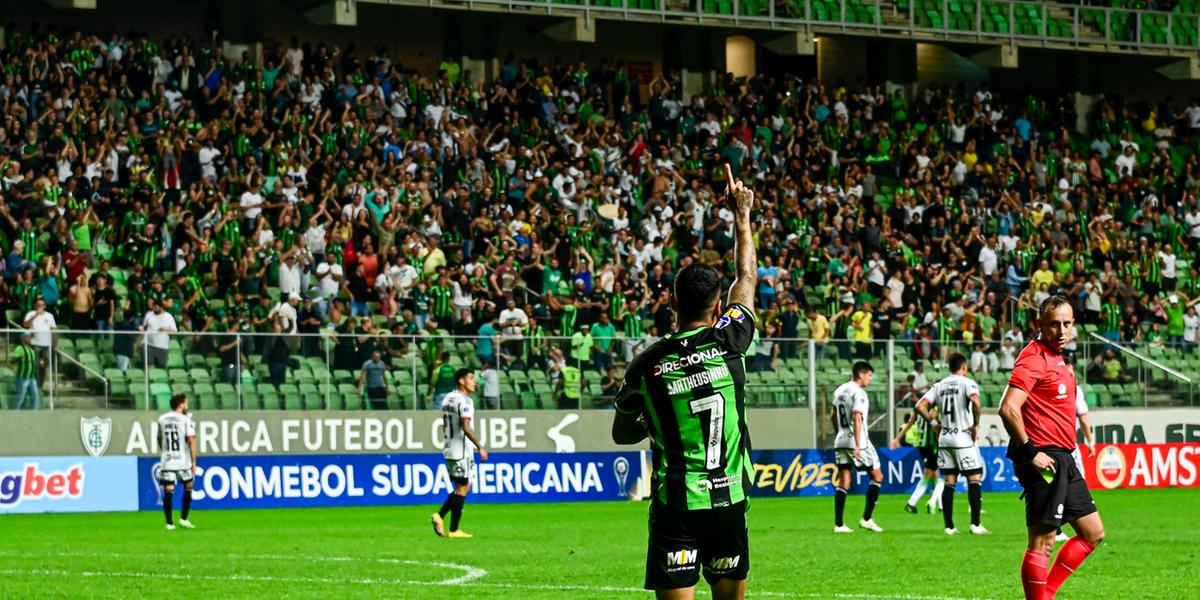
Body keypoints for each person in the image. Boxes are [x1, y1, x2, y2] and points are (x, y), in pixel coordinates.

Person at [611, 164, 756, 600]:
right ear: (717, 308)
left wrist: (654, 420)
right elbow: (746, 280)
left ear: (671, 301)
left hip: (677, 507)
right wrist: (742, 215)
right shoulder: (730, 337)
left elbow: (622, 432)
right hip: (728, 501)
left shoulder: (647, 365)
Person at [999, 297, 1105, 600]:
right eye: (1054, 324)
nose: (1061, 330)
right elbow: (1008, 408)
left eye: (1067, 323)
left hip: (1064, 456)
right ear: (1040, 325)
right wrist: (1031, 452)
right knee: (1042, 541)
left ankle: (1045, 595)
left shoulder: (1060, 359)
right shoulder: (1034, 357)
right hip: (1043, 456)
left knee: (1092, 532)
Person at [916, 353, 989, 535]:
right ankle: (975, 524)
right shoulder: (968, 383)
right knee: (974, 478)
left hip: (945, 438)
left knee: (949, 481)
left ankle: (949, 526)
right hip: (963, 438)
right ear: (964, 367)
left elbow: (920, 405)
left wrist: (934, 424)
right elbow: (976, 403)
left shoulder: (939, 385)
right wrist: (976, 425)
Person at [430, 368, 489, 539]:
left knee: (462, 486)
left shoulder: (448, 398)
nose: (474, 381)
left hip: (449, 447)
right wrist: (480, 446)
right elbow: (465, 425)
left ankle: (451, 526)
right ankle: (444, 520)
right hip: (461, 449)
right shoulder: (465, 401)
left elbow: (444, 421)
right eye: (471, 378)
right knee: (463, 488)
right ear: (461, 381)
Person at [831, 361, 885, 534]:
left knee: (844, 481)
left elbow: (833, 415)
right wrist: (857, 442)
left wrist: (840, 433)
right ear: (861, 374)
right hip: (857, 441)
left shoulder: (839, 390)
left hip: (840, 439)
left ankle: (839, 525)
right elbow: (857, 416)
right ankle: (867, 519)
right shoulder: (859, 392)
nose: (870, 379)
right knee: (877, 476)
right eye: (869, 375)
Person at [888, 394, 944, 515]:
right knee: (933, 476)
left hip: (921, 445)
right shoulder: (935, 408)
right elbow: (935, 423)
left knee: (934, 474)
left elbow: (909, 424)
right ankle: (913, 502)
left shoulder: (919, 406)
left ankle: (940, 505)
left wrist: (897, 439)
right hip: (932, 445)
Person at [1058, 382, 1097, 543]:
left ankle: (1054, 527)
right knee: (1076, 482)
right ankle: (1082, 525)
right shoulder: (1074, 387)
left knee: (1050, 483)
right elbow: (1084, 418)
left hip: (1044, 446)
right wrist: (1090, 442)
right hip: (1067, 446)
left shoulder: (1041, 384)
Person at [158, 393, 197, 530]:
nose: (187, 405)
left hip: (167, 459)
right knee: (188, 485)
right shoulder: (186, 420)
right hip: (182, 459)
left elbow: (159, 438)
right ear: (181, 404)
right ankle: (184, 519)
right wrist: (194, 461)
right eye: (186, 403)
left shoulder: (162, 419)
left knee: (169, 490)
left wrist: (165, 451)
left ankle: (169, 523)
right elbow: (191, 440)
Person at [10, 334, 42, 409]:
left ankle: (33, 414)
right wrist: (17, 357)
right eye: (29, 337)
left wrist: (39, 363)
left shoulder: (32, 350)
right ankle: (13, 412)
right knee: (20, 398)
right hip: (22, 377)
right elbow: (13, 360)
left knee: (35, 396)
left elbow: (33, 363)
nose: (31, 339)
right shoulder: (19, 348)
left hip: (31, 377)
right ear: (24, 338)